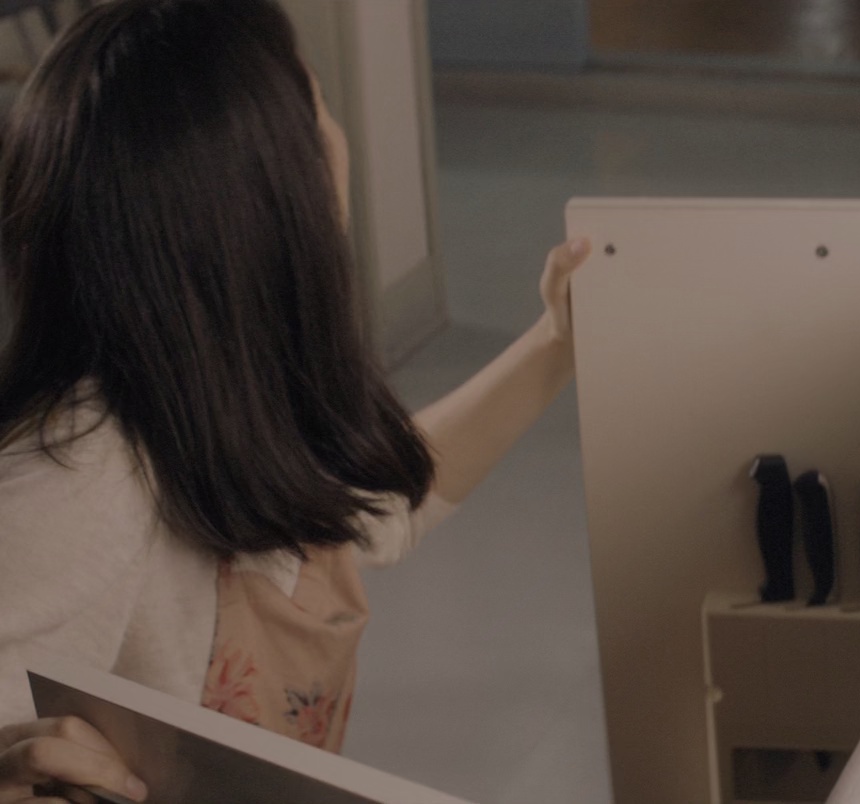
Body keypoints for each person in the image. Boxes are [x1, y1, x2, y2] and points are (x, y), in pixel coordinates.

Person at [0, 1, 588, 800]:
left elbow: (381, 506)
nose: (337, 145)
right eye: (317, 113)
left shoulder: (225, 390)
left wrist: (557, 344)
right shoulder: (83, 482)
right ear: (264, 196)